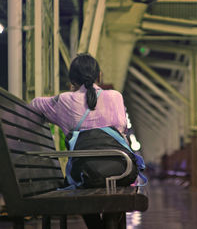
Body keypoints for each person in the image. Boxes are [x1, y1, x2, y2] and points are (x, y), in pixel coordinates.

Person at [30, 53, 136, 229]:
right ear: (99, 75)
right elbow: (122, 127)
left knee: (80, 183)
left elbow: (34, 105)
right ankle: (109, 223)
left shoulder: (64, 100)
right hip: (119, 169)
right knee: (116, 183)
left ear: (72, 81)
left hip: (84, 174)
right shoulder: (115, 96)